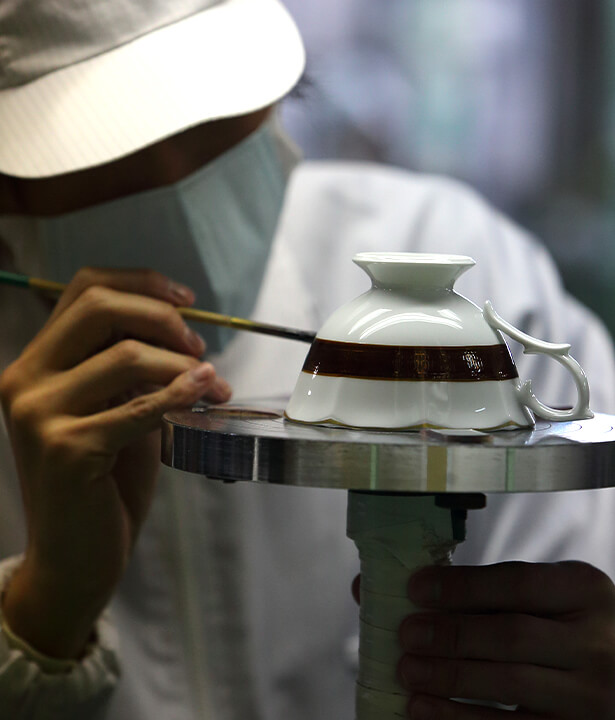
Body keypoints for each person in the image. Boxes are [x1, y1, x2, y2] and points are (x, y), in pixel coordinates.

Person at [0, 1, 614, 719]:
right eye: (105, 143)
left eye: (214, 117)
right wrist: (44, 613)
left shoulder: (465, 262)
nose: (178, 177)